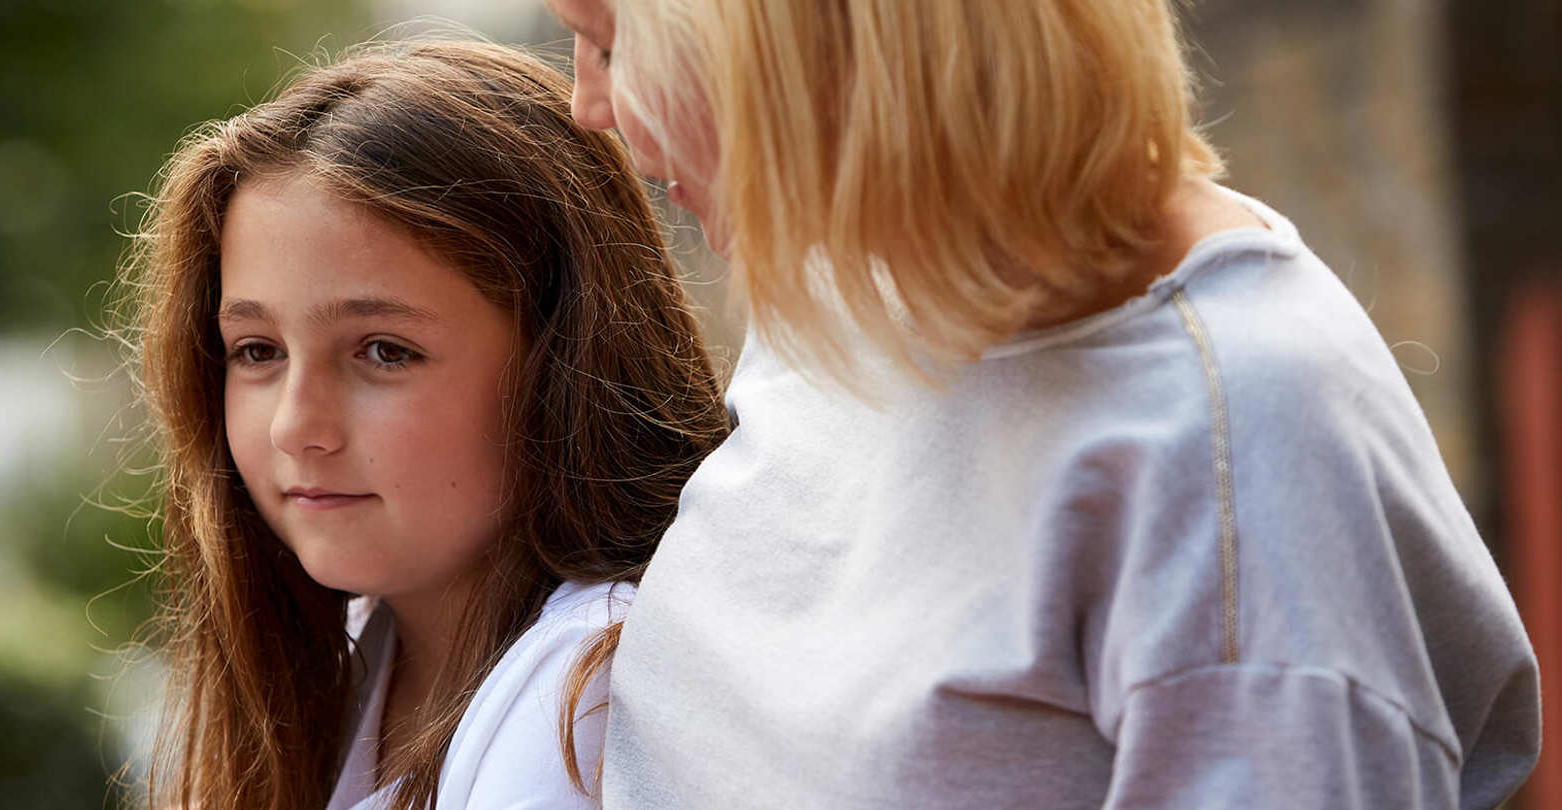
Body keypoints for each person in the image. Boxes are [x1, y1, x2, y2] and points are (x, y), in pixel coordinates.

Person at [545, 0, 1542, 807]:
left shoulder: (1235, 466)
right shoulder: (854, 272)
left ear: (813, 38)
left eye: (613, 41)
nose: (589, 101)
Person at [117, 39, 728, 810]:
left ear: (566, 362)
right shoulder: (351, 657)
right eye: (257, 350)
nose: (295, 426)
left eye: (384, 351)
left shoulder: (587, 691)